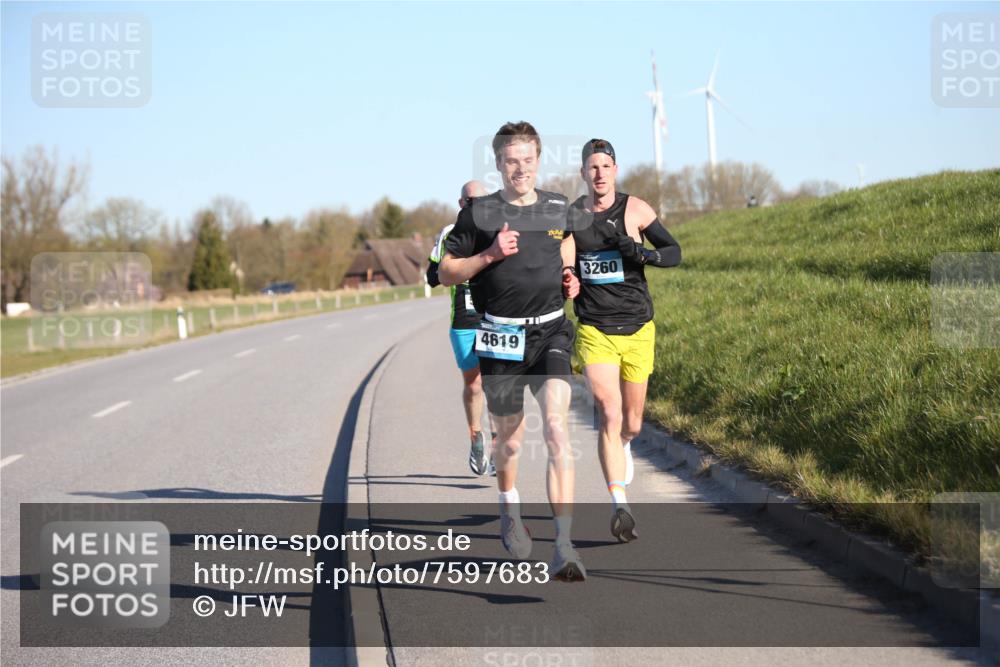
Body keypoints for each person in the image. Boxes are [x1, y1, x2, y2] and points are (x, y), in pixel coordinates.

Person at [439, 121, 585, 581]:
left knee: (558, 432)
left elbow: (569, 244)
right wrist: (490, 256)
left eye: (527, 160)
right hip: (501, 337)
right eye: (510, 161)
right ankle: (509, 510)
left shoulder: (558, 205)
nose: (520, 169)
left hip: (551, 333)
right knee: (512, 441)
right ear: (499, 163)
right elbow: (445, 272)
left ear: (538, 160)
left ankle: (563, 545)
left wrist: (569, 274)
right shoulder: (479, 214)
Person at [564, 138, 681, 543]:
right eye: (592, 167)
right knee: (609, 413)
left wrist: (641, 253)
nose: (599, 173)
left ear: (615, 170)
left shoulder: (636, 209)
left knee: (631, 421)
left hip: (637, 328)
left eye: (606, 166)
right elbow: (565, 263)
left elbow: (674, 252)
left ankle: (625, 443)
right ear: (583, 173)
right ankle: (620, 504)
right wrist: (569, 279)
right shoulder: (573, 217)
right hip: (596, 329)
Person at [426, 180, 496, 476]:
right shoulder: (448, 234)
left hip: (496, 317)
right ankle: (476, 435)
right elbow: (433, 276)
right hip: (464, 319)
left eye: (482, 201)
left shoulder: (499, 228)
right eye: (471, 202)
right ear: (461, 204)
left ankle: (499, 448)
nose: (476, 207)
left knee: (498, 384)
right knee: (475, 383)